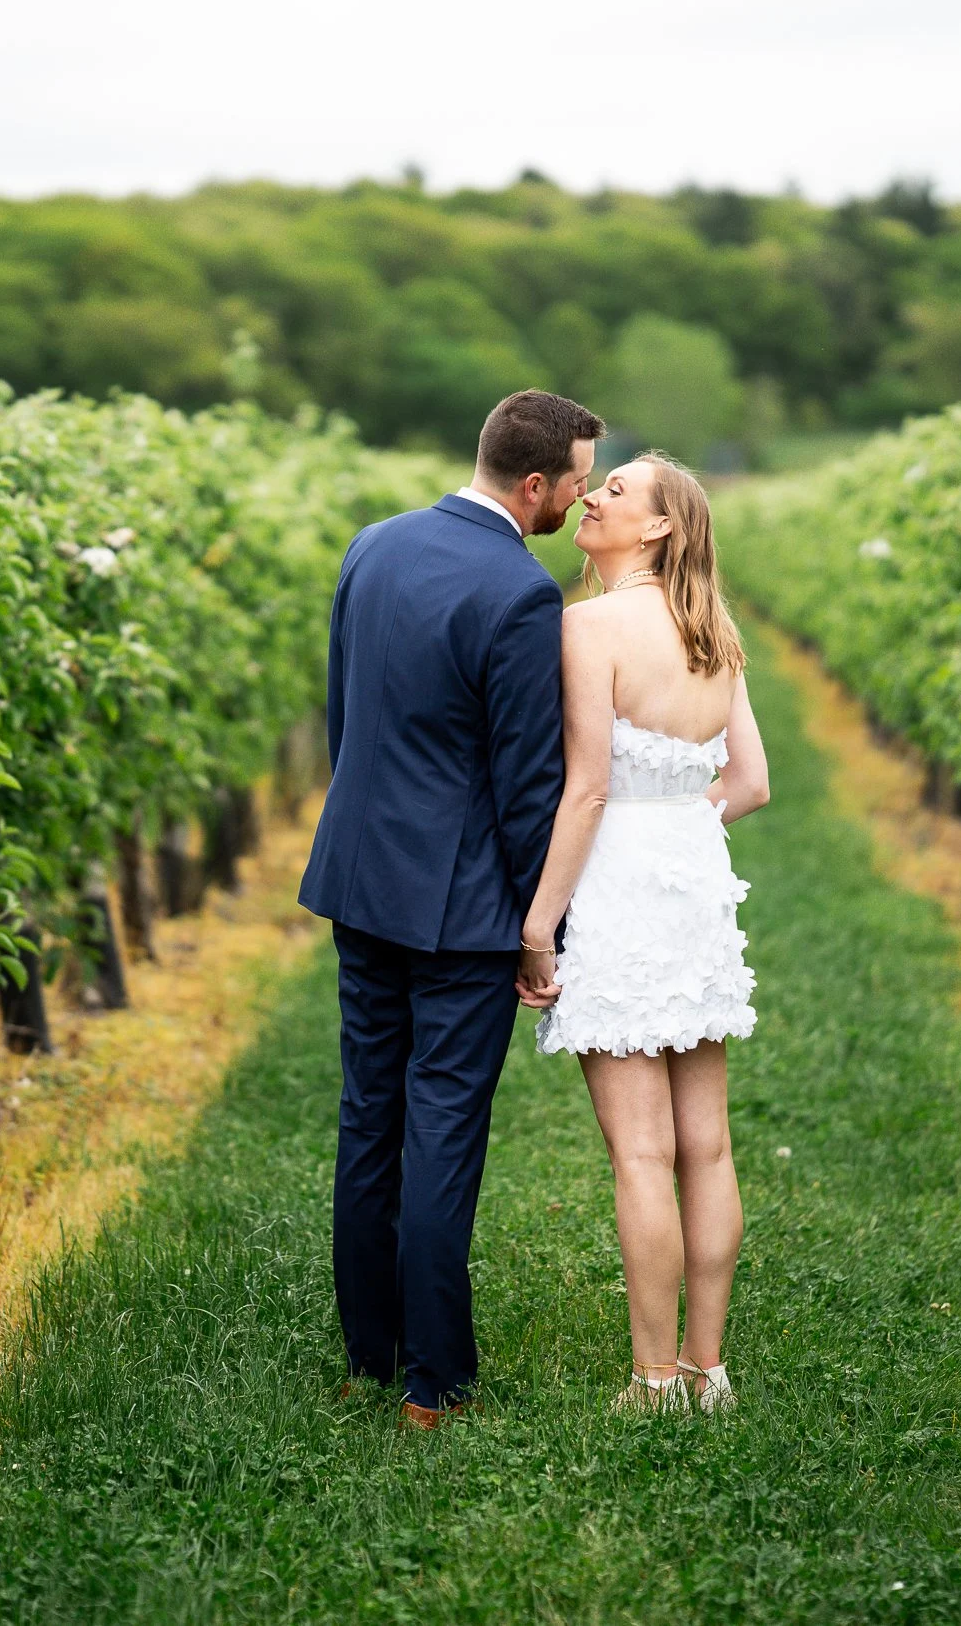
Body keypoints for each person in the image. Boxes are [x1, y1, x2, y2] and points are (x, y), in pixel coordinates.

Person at [298, 389, 603, 1430]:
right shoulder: (520, 593)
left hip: (360, 879)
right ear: (534, 483)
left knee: (367, 1117)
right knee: (441, 1129)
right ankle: (433, 1381)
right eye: (576, 482)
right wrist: (539, 928)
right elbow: (526, 783)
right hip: (462, 906)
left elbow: (346, 721)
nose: (580, 498)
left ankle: (366, 1358)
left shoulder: (371, 545)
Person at [518, 451, 769, 1413]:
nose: (592, 495)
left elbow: (586, 790)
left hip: (618, 885)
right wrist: (677, 826)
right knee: (707, 1145)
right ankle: (709, 1369)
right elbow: (750, 783)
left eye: (616, 489)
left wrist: (539, 925)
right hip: (694, 883)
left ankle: (654, 1379)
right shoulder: (714, 632)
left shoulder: (588, 625)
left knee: (640, 1152)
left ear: (659, 526)